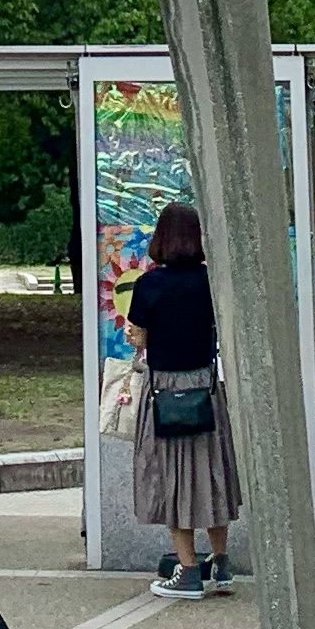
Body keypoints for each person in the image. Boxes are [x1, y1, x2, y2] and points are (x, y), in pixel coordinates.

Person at [127, 198, 242, 598]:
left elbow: (139, 337)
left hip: (165, 391)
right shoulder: (211, 282)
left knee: (171, 478)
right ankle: (221, 563)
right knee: (211, 474)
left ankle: (188, 570)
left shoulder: (149, 285)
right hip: (205, 388)